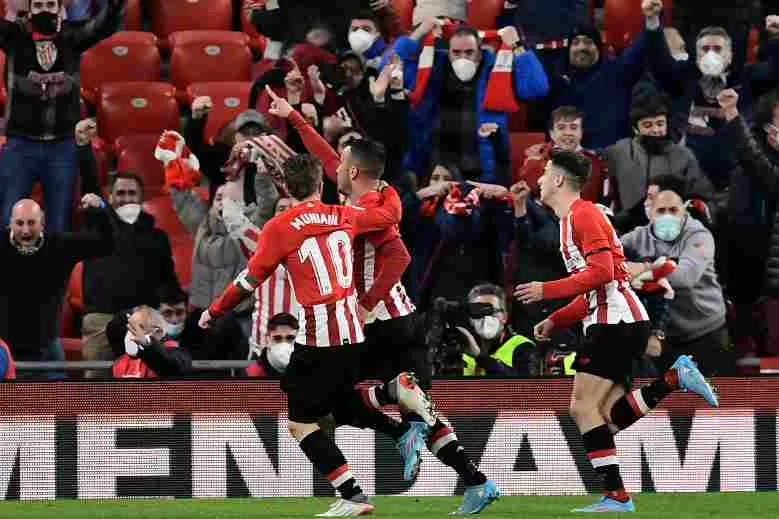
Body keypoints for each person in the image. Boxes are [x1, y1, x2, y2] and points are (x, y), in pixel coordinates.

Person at [199, 153, 436, 517]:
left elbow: (248, 281)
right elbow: (390, 215)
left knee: (299, 420)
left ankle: (353, 492)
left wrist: (214, 311)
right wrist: (386, 187)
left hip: (319, 336)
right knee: (336, 404)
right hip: (355, 331)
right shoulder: (344, 215)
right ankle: (395, 417)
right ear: (320, 184)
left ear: (285, 187)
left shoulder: (278, 227)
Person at [514, 149, 718, 512]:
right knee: (606, 417)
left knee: (581, 407)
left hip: (616, 323)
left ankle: (617, 496)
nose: (540, 180)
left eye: (545, 172)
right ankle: (673, 379)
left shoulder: (584, 214)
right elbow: (598, 287)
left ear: (559, 179)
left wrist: (547, 290)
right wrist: (558, 318)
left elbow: (603, 273)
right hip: (618, 320)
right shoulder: (572, 219)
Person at [0, 0, 125, 232]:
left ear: (60, 9)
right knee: (9, 220)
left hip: (63, 145)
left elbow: (103, 25)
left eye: (50, 4)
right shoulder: (14, 37)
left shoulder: (72, 37)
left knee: (59, 226)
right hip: (20, 144)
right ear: (29, 10)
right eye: (38, 5)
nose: (44, 10)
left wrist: (116, 4)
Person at [395, 20, 549, 183]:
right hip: (435, 169)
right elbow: (391, 69)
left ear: (480, 51)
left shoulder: (498, 67)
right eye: (456, 52)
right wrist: (417, 35)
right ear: (448, 51)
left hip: (482, 171)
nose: (463, 58)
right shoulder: (431, 66)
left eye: (469, 52)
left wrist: (517, 46)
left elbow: (536, 88)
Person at [621, 183, 732, 375]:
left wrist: (642, 269)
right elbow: (609, 263)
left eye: (673, 210)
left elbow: (685, 277)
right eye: (661, 210)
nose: (667, 216)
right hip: (664, 337)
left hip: (706, 331)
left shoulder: (699, 235)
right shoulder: (636, 238)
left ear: (683, 211)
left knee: (717, 392)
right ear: (650, 214)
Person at [81, 172, 180, 378]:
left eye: (132, 193)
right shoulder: (95, 228)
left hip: (144, 321)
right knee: (95, 388)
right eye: (120, 193)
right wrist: (101, 209)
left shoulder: (157, 237)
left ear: (141, 198)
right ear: (110, 197)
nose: (126, 198)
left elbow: (168, 280)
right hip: (101, 321)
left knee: (147, 385)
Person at [0, 195, 113, 374]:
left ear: (42, 223)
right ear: (10, 224)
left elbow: (105, 244)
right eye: (20, 223)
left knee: (56, 393)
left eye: (31, 223)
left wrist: (98, 211)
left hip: (47, 348)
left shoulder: (59, 245)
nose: (26, 230)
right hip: (4, 350)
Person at [543, 0, 663, 150]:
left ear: (599, 48)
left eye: (588, 42)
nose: (581, 47)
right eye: (576, 43)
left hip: (615, 155)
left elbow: (639, 49)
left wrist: (651, 19)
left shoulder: (618, 71)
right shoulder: (557, 78)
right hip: (570, 157)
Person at [719, 87, 779, 359]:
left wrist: (733, 115)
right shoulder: (745, 167)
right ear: (768, 127)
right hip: (749, 260)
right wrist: (732, 115)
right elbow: (753, 159)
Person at [605, 92, 714, 233]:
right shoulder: (617, 153)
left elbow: (703, 199)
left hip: (673, 232)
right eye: (647, 125)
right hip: (628, 232)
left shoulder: (684, 156)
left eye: (660, 124)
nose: (656, 130)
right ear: (635, 129)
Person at [517, 105, 606, 203]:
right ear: (551, 133)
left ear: (581, 132)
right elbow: (528, 189)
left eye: (573, 128)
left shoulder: (594, 163)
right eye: (561, 128)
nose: (567, 133)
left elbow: (595, 199)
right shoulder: (537, 157)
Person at [454, 284, 537, 376]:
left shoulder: (523, 346)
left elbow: (525, 384)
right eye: (478, 312)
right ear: (470, 319)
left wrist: (480, 357)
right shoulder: (463, 346)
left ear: (504, 316)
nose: (486, 318)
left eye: (492, 311)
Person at [106, 305, 192, 379]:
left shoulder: (177, 354)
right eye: (130, 328)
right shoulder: (121, 361)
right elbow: (113, 328)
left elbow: (172, 367)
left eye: (139, 328)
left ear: (157, 331)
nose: (131, 334)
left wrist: (148, 345)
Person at [246, 312, 298, 378]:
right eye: (277, 338)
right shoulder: (253, 374)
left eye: (290, 338)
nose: (284, 344)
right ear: (268, 340)